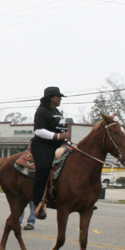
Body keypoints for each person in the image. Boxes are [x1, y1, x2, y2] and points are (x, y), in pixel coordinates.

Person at [31, 86, 71, 219]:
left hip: (60, 145)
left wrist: (65, 140)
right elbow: (39, 131)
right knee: (44, 167)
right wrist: (58, 136)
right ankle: (38, 201)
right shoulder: (42, 111)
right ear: (51, 97)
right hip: (43, 145)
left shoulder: (57, 111)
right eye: (58, 96)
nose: (60, 99)